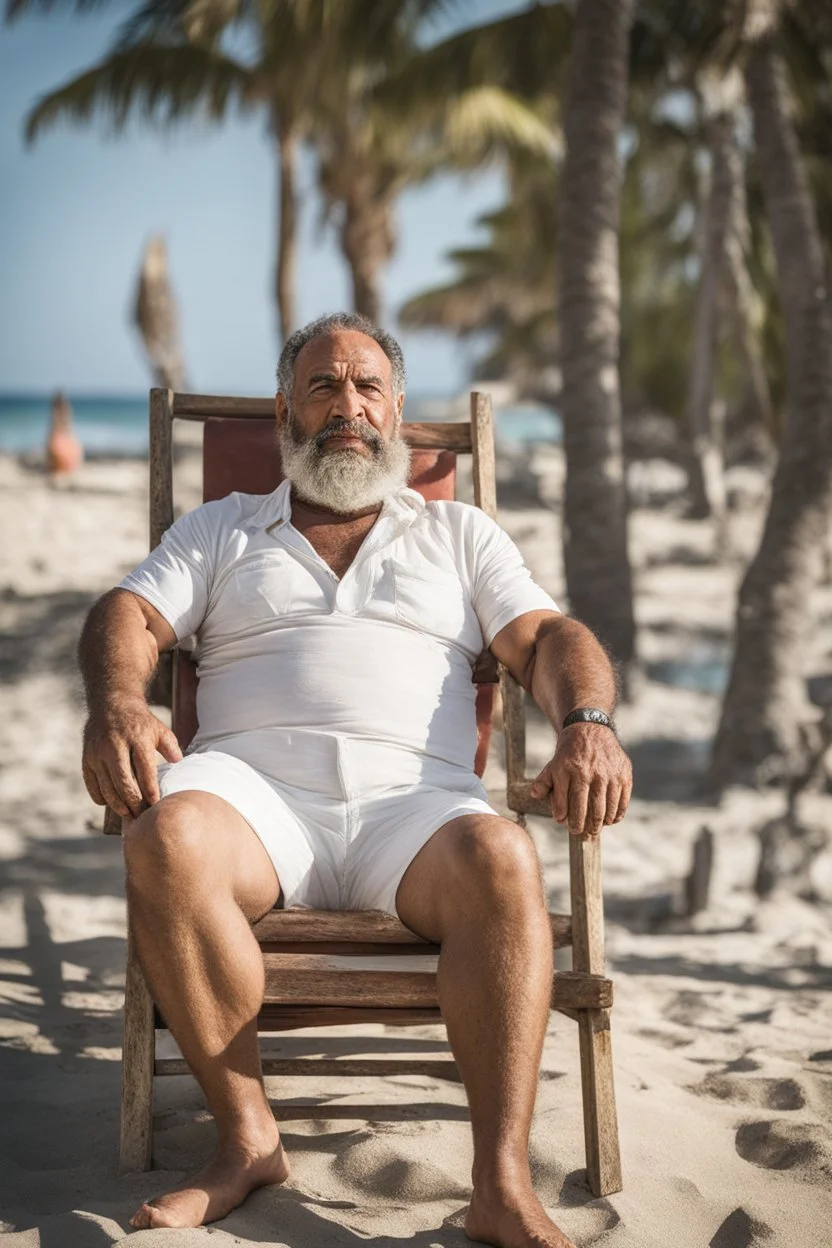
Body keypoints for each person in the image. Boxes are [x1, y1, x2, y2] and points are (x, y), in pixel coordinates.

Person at [79, 312, 632, 1247]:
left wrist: (586, 723)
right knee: (162, 833)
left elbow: (547, 641)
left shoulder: (459, 534)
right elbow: (127, 615)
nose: (349, 407)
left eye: (368, 387)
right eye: (325, 388)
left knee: (503, 853)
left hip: (413, 811)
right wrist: (121, 706)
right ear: (284, 409)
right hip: (254, 799)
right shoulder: (223, 530)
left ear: (399, 409)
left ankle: (500, 1184)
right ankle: (247, 1141)